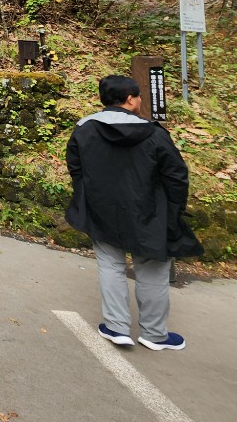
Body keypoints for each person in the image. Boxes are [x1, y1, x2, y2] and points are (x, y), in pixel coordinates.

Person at [65, 75, 202, 351]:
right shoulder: (154, 133)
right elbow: (176, 176)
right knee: (153, 269)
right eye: (138, 96)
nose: (139, 100)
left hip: (102, 209)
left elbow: (76, 168)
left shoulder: (84, 128)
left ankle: (116, 327)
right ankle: (154, 334)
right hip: (149, 212)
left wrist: (88, 198)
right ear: (130, 99)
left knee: (110, 265)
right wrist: (174, 210)